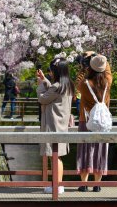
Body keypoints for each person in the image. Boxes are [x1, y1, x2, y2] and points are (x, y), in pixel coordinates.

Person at [75, 52, 113, 192]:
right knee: (101, 150)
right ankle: (97, 184)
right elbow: (106, 68)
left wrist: (83, 66)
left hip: (86, 121)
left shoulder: (84, 84)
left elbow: (77, 84)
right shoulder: (108, 80)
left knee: (85, 150)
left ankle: (84, 184)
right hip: (103, 123)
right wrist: (98, 56)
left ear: (89, 67)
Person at [37, 58, 75, 194]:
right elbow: (52, 92)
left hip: (52, 125)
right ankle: (58, 185)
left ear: (57, 71)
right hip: (61, 125)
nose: (50, 73)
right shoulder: (68, 85)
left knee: (54, 157)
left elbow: (42, 98)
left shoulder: (57, 86)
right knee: (57, 156)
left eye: (51, 71)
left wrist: (41, 84)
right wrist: (45, 80)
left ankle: (56, 186)